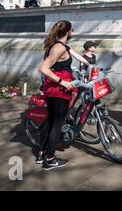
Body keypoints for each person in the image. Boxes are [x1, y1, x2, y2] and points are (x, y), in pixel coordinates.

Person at [38, 20, 95, 170]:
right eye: (72, 30)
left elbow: (77, 56)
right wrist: (62, 82)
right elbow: (43, 68)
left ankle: (42, 152)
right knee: (57, 124)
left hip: (55, 89)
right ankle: (50, 159)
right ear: (69, 32)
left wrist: (91, 65)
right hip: (58, 90)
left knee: (51, 121)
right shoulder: (58, 48)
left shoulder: (61, 46)